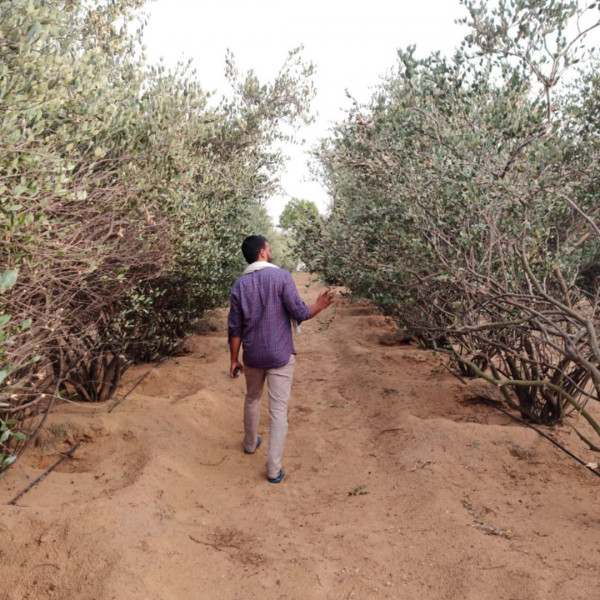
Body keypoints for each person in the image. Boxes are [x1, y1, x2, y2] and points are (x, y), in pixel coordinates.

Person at [227, 235, 336, 483]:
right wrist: (319, 306)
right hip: (280, 354)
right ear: (263, 253)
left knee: (252, 397)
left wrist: (234, 359)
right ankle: (273, 470)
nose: (271, 250)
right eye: (269, 247)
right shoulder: (282, 277)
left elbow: (235, 327)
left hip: (252, 354)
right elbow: (298, 312)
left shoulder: (239, 286)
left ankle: (249, 443)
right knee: (278, 412)